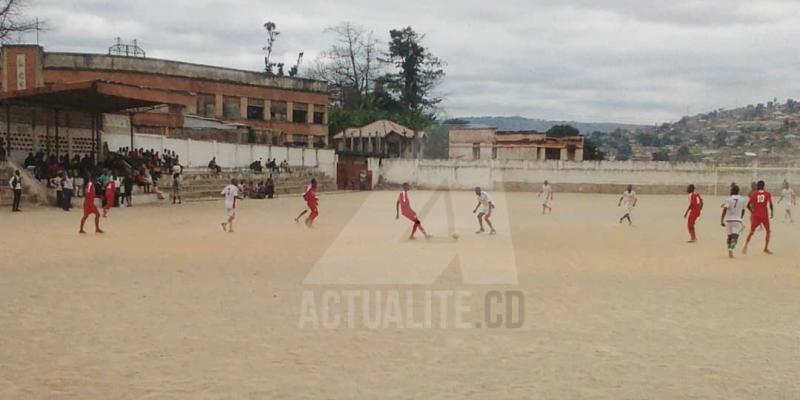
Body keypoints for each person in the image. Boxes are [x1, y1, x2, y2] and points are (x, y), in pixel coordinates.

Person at [743, 180, 773, 255]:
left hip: (756, 215)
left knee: (751, 232)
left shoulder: (754, 194)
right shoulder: (767, 194)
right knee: (768, 231)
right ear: (764, 186)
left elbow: (748, 206)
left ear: (757, 186)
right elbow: (771, 204)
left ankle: (745, 246)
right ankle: (765, 248)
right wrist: (772, 212)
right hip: (764, 215)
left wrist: (753, 212)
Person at [720, 184, 747, 258]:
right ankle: (731, 249)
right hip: (737, 220)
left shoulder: (728, 199)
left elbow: (725, 209)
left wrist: (722, 220)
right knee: (735, 237)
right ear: (738, 191)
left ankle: (729, 250)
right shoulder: (742, 199)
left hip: (728, 220)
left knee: (729, 236)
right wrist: (741, 217)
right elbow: (743, 210)